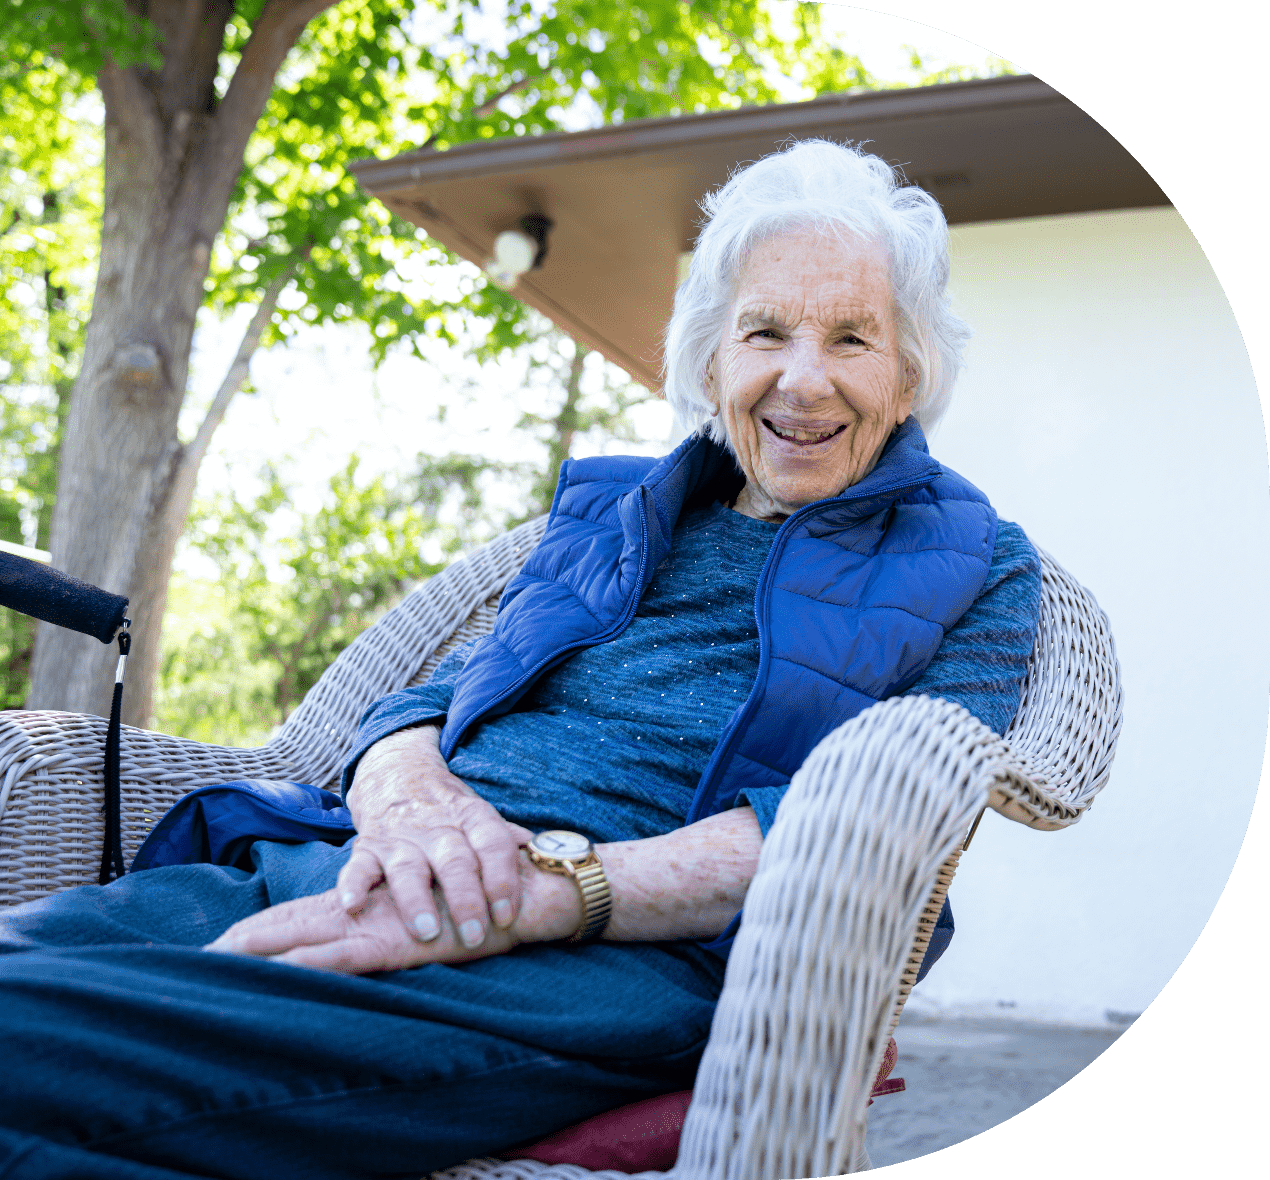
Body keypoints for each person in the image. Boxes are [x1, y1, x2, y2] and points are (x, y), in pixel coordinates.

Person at [0, 140, 1041, 1180]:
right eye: (764, 331)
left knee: (33, 1047)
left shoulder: (974, 564)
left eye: (851, 338)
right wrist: (409, 806)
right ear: (711, 361)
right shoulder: (614, 519)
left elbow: (885, 820)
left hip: (605, 959)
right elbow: (435, 691)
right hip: (364, 861)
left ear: (908, 375)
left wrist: (546, 889)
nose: (800, 378)